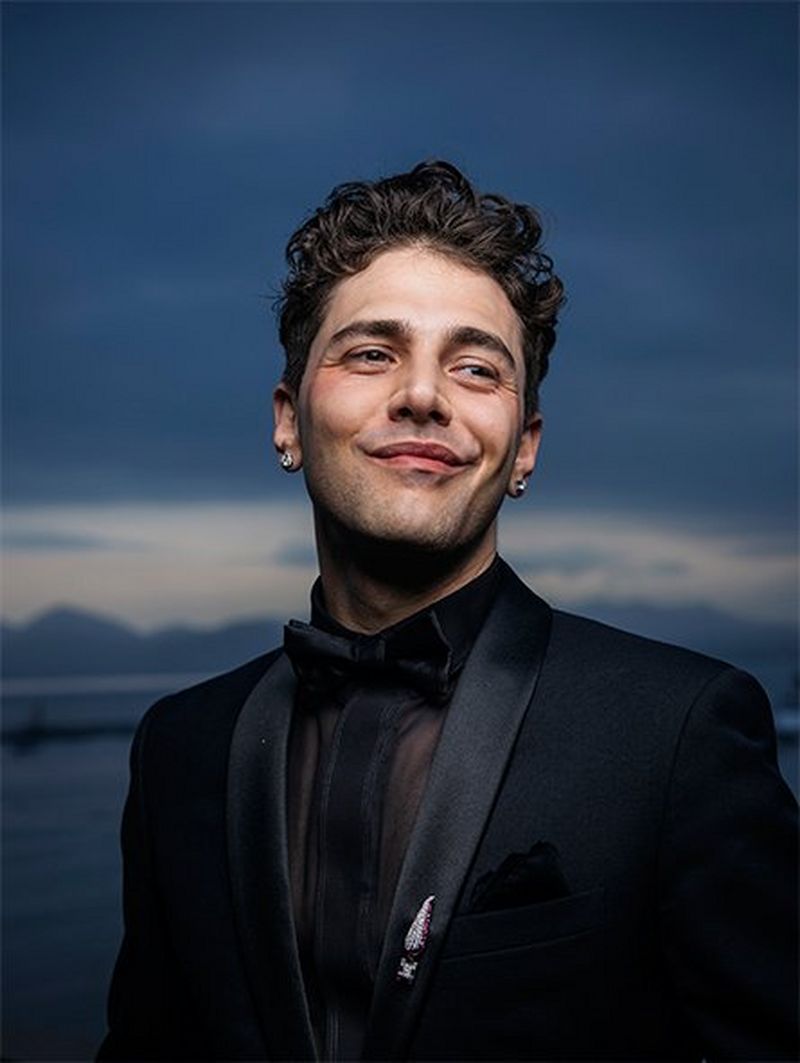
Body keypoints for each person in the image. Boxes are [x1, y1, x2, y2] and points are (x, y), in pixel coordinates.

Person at [98, 160, 798, 1062]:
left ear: (524, 450)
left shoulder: (681, 732)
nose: (423, 393)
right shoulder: (177, 746)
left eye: (475, 366)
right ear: (286, 421)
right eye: (371, 352)